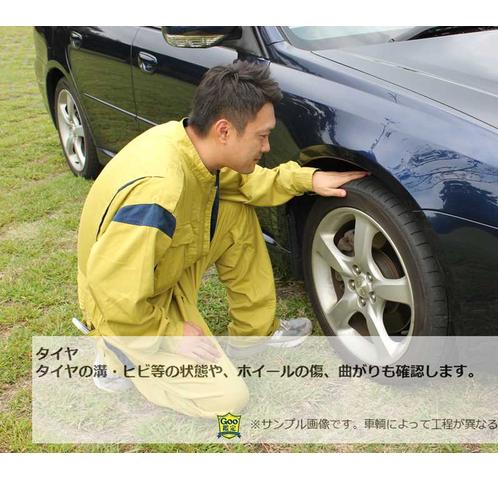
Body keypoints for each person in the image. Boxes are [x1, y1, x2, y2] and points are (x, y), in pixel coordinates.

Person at [75, 60, 367, 417]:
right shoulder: (158, 191)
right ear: (225, 130)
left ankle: (252, 335)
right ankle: (116, 354)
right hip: (126, 309)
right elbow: (113, 291)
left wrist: (309, 179)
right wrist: (171, 333)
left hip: (157, 270)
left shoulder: (189, 146)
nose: (266, 146)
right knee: (228, 399)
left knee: (234, 211)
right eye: (261, 136)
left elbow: (247, 184)